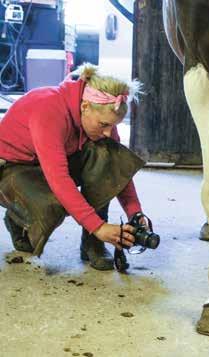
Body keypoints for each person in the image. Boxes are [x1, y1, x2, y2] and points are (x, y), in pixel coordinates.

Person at [0, 63, 147, 271]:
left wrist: (136, 213)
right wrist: (99, 227)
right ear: (85, 107)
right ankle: (18, 218)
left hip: (44, 163)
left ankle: (91, 243)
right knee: (54, 205)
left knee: (106, 154)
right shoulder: (49, 109)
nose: (108, 132)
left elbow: (116, 171)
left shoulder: (101, 123)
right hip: (12, 168)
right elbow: (59, 179)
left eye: (113, 126)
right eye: (104, 125)